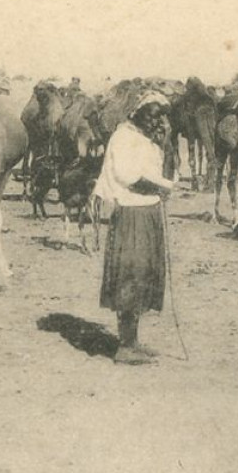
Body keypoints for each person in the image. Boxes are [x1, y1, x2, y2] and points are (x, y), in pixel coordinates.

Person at [92, 92, 176, 365]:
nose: (158, 122)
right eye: (154, 116)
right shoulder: (123, 138)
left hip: (148, 211)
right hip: (132, 215)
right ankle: (125, 347)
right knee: (131, 276)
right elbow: (129, 177)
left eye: (161, 116)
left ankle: (133, 340)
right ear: (139, 114)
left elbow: (160, 170)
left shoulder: (145, 139)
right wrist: (164, 187)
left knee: (144, 276)